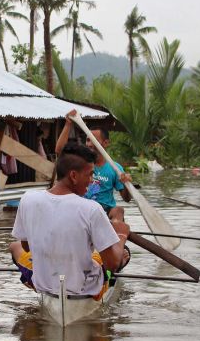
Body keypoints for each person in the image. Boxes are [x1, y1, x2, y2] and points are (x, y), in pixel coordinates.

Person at [10, 142, 130, 298]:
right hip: (83, 290)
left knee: (15, 246)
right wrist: (121, 236)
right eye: (90, 174)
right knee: (123, 254)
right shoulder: (92, 209)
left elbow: (26, 247)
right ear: (73, 176)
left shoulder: (27, 199)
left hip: (44, 285)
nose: (92, 180)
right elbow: (112, 264)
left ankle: (35, 283)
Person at [55, 109, 132, 222]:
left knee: (118, 210)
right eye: (87, 140)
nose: (89, 144)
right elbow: (59, 151)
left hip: (105, 211)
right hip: (81, 208)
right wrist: (68, 123)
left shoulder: (115, 168)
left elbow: (126, 199)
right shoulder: (80, 162)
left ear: (106, 143)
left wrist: (127, 184)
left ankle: (116, 233)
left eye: (94, 141)